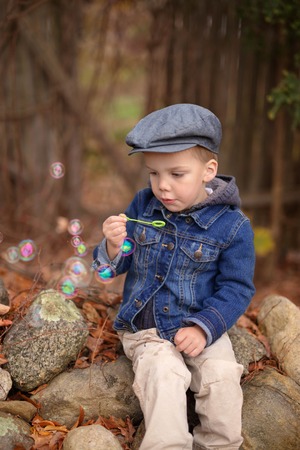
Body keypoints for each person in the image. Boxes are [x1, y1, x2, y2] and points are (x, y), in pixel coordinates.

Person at [92, 104, 256, 450]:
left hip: (202, 327)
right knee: (164, 375)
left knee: (222, 376)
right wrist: (112, 246)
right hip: (147, 328)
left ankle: (220, 445)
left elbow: (237, 288)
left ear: (208, 171)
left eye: (176, 174)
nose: (162, 187)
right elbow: (111, 270)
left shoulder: (233, 226)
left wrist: (204, 326)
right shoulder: (143, 205)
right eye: (154, 174)